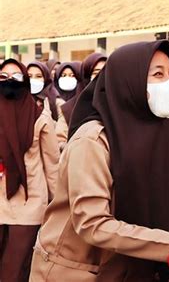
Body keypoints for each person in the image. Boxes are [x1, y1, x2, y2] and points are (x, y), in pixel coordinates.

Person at [29, 40, 169, 281]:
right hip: (77, 270)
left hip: (133, 270)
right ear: (128, 80)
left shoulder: (167, 132)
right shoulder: (93, 140)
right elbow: (93, 224)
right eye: (157, 74)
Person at [0, 58, 59, 282]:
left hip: (29, 203)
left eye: (16, 76)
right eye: (3, 77)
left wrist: (57, 206)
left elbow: (52, 164)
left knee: (15, 270)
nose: (9, 81)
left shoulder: (39, 116)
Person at [56, 53, 106, 150]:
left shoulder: (115, 105)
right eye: (96, 72)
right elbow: (58, 141)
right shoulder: (69, 109)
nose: (102, 76)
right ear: (87, 76)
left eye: (105, 71)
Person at [53, 61, 81, 149]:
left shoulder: (82, 101)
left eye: (72, 75)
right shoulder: (51, 99)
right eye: (63, 75)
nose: (68, 78)